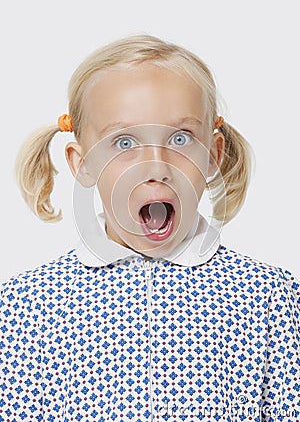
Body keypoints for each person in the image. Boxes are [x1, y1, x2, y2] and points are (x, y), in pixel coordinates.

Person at [1, 35, 299, 421]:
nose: (157, 167)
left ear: (213, 155)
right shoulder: (27, 307)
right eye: (124, 142)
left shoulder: (268, 298)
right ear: (82, 164)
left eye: (180, 139)